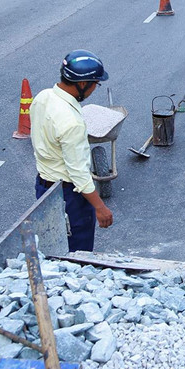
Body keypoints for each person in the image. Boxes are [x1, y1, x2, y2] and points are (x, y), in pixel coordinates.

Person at [31, 49, 113, 252]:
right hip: (69, 198)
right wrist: (100, 207)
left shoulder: (43, 97)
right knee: (77, 253)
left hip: (43, 187)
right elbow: (78, 173)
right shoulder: (71, 123)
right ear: (83, 84)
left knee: (51, 244)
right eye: (95, 84)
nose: (95, 88)